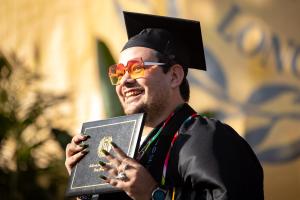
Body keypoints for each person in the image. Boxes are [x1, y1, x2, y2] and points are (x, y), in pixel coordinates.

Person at [65, 11, 264, 200]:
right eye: (118, 72)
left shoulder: (209, 138)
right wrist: (85, 184)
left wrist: (154, 194)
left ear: (174, 76)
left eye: (137, 69)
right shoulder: (126, 148)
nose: (124, 81)